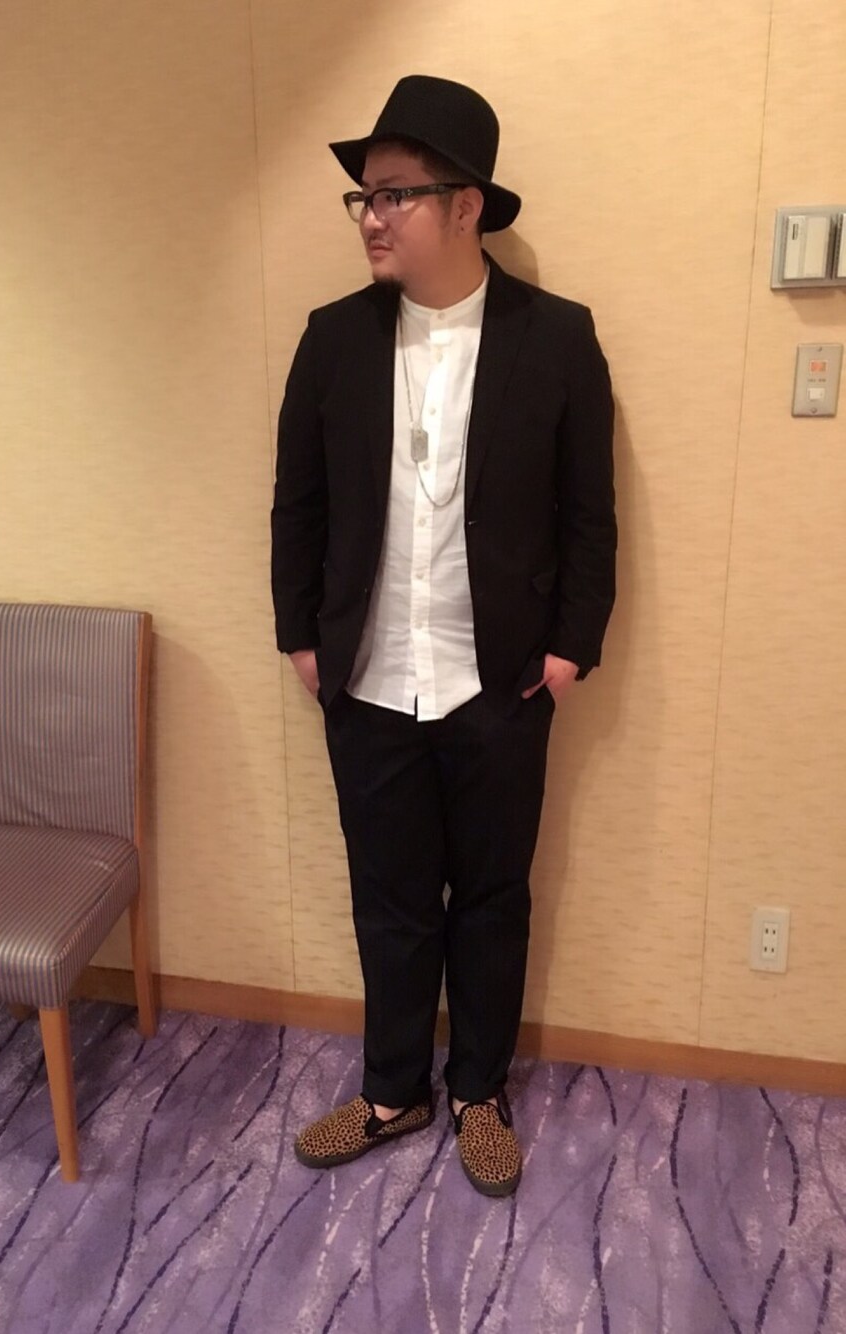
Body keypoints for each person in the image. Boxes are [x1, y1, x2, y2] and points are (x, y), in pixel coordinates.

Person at [270, 75, 615, 1197]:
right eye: (363, 197)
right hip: (368, 680)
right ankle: (391, 1090)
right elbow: (297, 504)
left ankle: (477, 1092)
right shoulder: (333, 339)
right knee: (389, 897)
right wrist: (300, 636)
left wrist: (569, 648)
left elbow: (589, 513)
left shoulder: (555, 338)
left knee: (495, 897)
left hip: (499, 683)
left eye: (395, 194)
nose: (370, 216)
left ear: (466, 206)